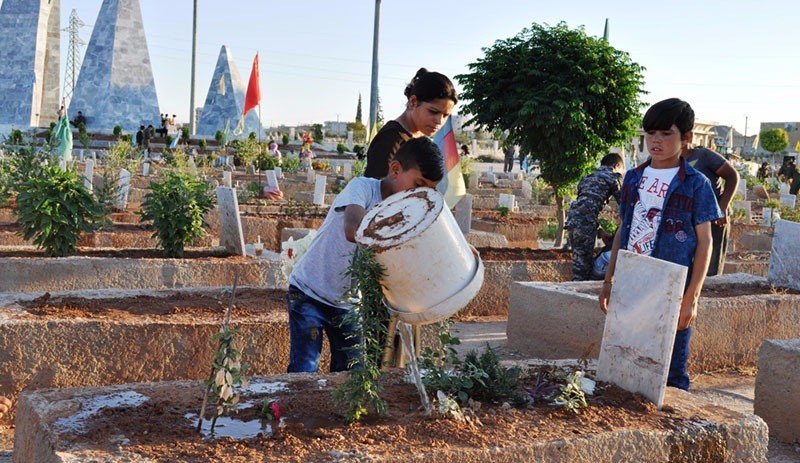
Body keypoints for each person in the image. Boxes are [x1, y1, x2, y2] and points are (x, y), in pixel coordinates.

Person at [287, 137, 445, 373]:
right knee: (305, 367)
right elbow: (353, 230)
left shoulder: (406, 216)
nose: (420, 196)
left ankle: (344, 411)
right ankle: (294, 408)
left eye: (429, 191)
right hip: (309, 292)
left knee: (352, 372)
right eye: (418, 185)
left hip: (348, 304)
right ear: (395, 170)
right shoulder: (362, 188)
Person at [599, 98, 722, 391]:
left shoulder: (696, 183)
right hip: (632, 281)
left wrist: (691, 298)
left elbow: (705, 243)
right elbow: (622, 230)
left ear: (686, 138)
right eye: (651, 133)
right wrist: (609, 279)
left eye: (666, 134)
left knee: (672, 373)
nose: (656, 141)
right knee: (624, 365)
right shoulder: (633, 178)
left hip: (671, 288)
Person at [364, 68, 457, 179]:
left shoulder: (420, 139)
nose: (439, 121)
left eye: (445, 115)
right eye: (433, 112)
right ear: (413, 102)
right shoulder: (391, 139)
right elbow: (376, 191)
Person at [681, 141, 740, 276]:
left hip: (713, 218)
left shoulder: (703, 155)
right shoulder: (668, 160)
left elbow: (733, 176)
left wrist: (722, 207)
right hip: (686, 218)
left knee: (710, 266)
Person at [565, 153, 625, 281]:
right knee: (583, 266)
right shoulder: (613, 177)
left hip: (572, 219)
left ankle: (575, 289)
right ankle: (577, 295)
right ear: (617, 165)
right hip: (585, 222)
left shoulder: (588, 177)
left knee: (579, 259)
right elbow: (624, 205)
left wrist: (599, 229)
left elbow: (586, 202)